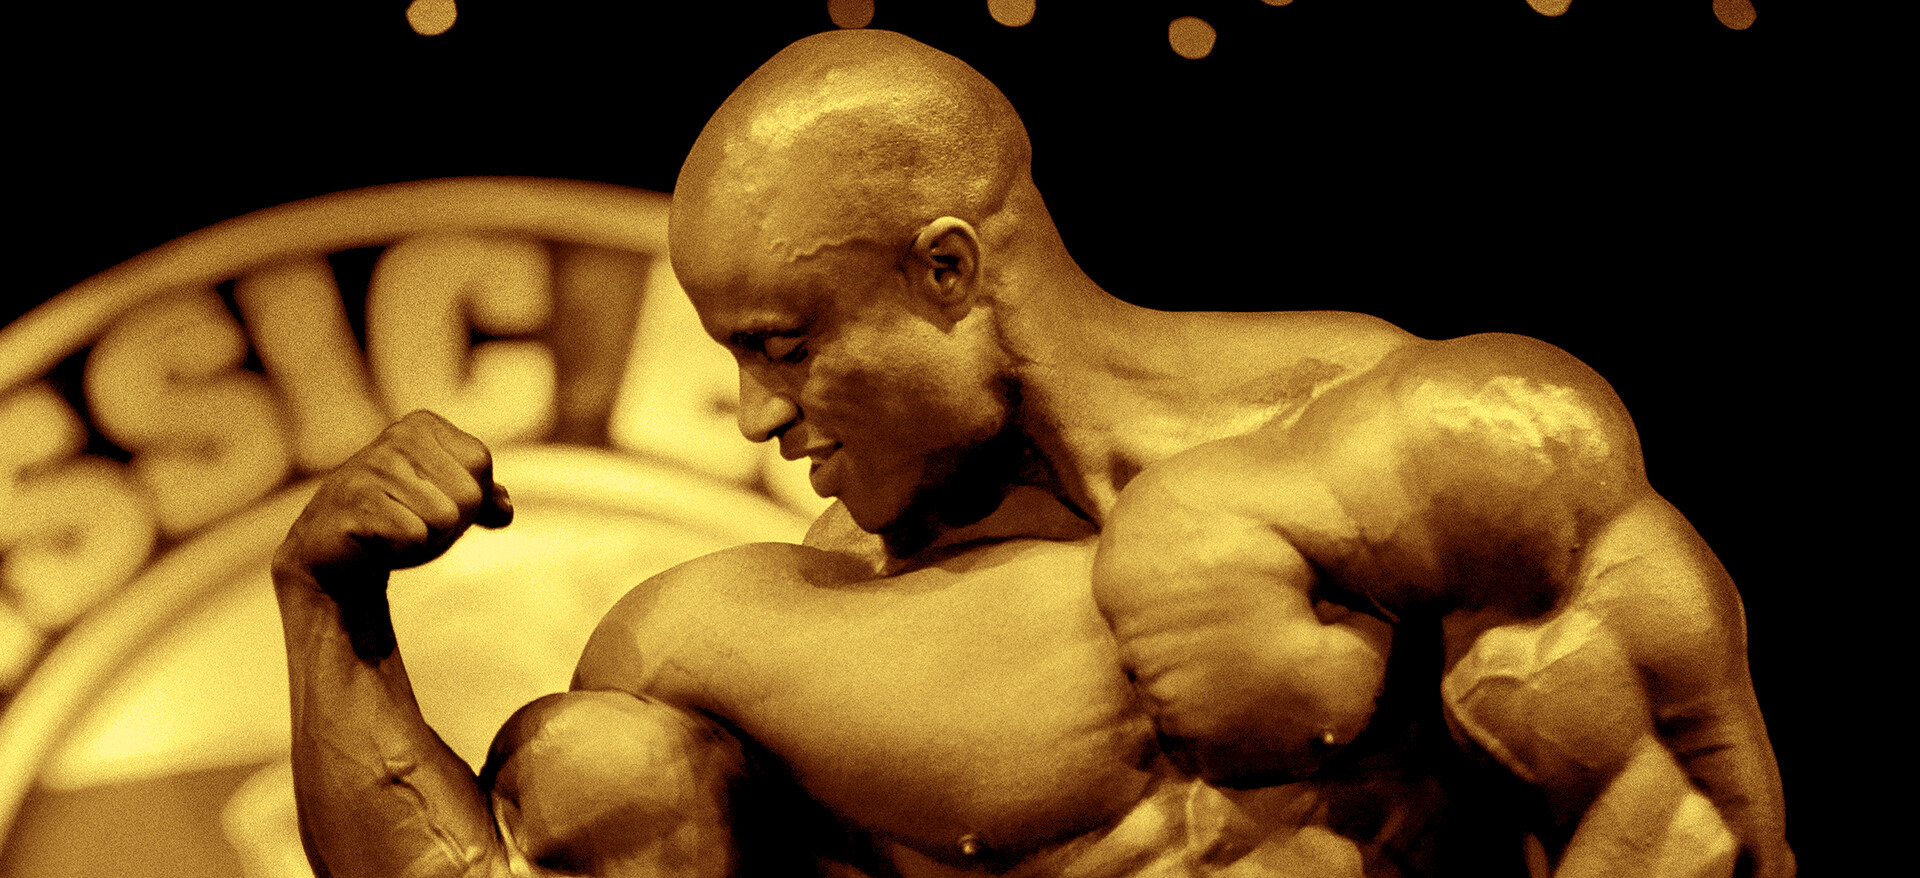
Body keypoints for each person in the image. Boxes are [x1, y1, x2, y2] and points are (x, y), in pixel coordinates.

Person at [272, 29, 1791, 878]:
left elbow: (1683, 832)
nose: (754, 414)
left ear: (948, 269)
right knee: (592, 760)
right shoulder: (730, 648)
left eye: (785, 344)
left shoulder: (1413, 442)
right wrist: (327, 610)